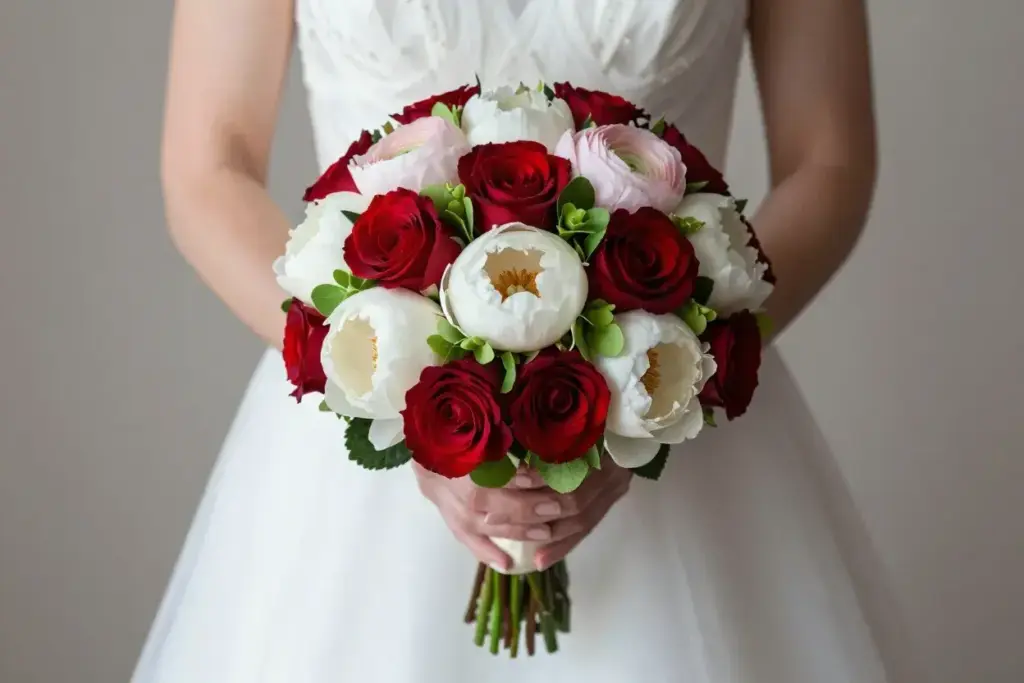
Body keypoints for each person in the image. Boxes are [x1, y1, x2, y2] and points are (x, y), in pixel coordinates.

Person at [134, 1, 892, 681]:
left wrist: (669, 383)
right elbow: (210, 166)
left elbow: (828, 162)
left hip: (674, 406)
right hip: (358, 423)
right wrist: (395, 398)